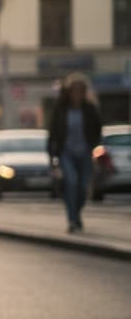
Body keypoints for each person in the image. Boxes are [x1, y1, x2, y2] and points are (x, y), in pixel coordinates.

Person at [47, 73, 102, 233]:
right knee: (71, 183)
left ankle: (76, 214)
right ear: (68, 92)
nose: (77, 94)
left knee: (83, 187)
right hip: (66, 153)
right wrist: (52, 154)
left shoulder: (89, 109)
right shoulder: (61, 109)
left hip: (85, 152)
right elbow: (53, 132)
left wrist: (94, 144)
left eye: (80, 90)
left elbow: (98, 128)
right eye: (74, 90)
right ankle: (72, 219)